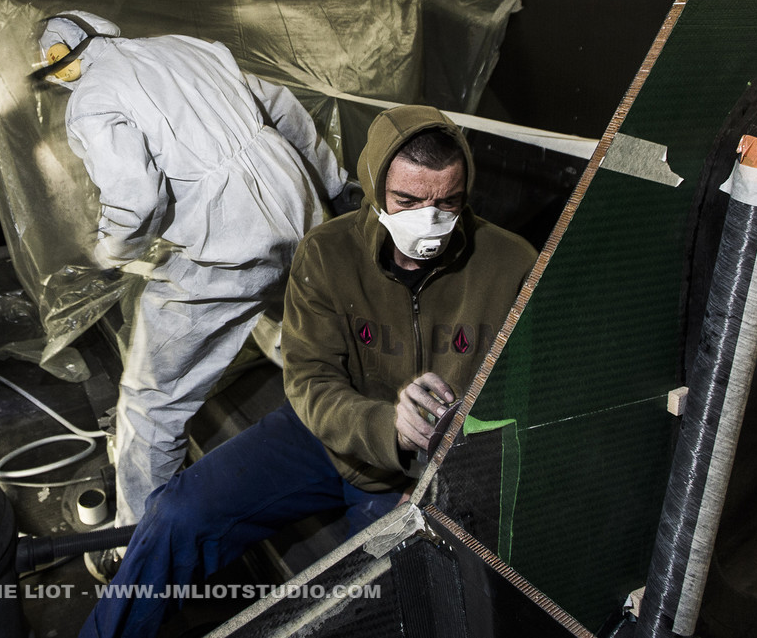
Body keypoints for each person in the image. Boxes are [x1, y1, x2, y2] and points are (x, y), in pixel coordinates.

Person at [79, 104, 537, 638]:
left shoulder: (511, 266)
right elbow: (309, 379)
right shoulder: (327, 253)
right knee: (176, 515)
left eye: (448, 202)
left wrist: (448, 485)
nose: (429, 221)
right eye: (408, 201)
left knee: (381, 605)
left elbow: (529, 403)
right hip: (328, 437)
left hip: (423, 475)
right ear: (375, 187)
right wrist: (385, 425)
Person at [33, 11, 351, 559]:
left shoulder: (91, 98)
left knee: (150, 401)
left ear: (63, 60)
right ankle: (353, 417)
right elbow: (282, 107)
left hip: (229, 246)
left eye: (52, 65)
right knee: (302, 318)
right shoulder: (185, 45)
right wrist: (332, 183)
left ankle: (134, 543)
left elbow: (138, 198)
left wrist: (109, 252)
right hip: (300, 210)